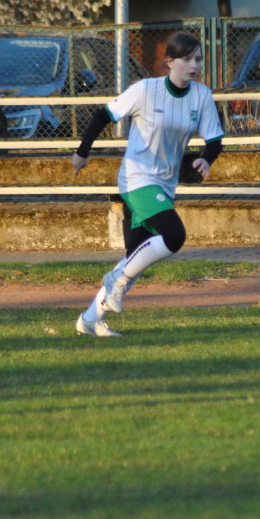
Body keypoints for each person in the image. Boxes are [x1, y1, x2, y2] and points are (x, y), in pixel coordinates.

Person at [71, 31, 225, 336]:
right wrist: (82, 152)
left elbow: (215, 141)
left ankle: (89, 320)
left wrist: (207, 159)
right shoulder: (145, 90)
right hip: (136, 178)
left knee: (135, 258)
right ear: (169, 62)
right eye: (186, 59)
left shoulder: (201, 95)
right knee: (174, 235)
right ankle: (115, 281)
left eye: (198, 59)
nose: (194, 65)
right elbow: (104, 115)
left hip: (165, 185)